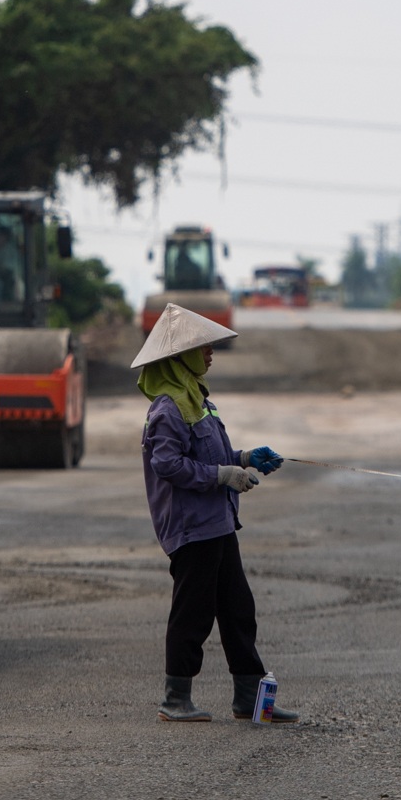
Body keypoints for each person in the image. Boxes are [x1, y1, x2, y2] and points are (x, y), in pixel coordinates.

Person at [134, 303, 300, 724]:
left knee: (237, 607)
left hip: (218, 523)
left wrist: (244, 457)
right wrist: (224, 475)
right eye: (202, 347)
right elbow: (167, 465)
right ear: (179, 356)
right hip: (192, 529)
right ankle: (176, 699)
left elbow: (212, 453)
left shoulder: (197, 399)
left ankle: (249, 697)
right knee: (193, 612)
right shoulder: (167, 408)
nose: (210, 353)